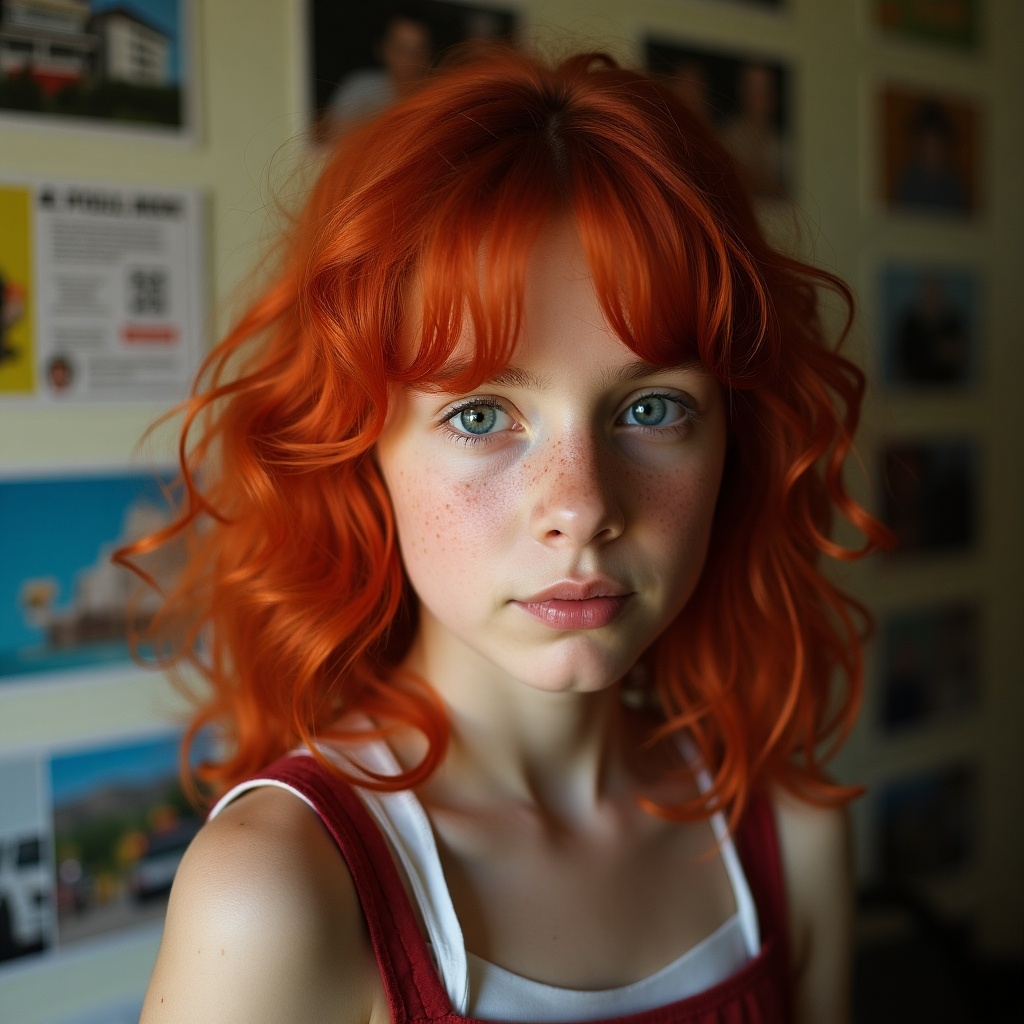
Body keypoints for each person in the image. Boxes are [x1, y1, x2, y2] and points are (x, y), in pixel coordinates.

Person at [130, 49, 890, 1024]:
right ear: (362, 455)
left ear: (731, 448)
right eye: (482, 416)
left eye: (651, 407)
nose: (578, 506)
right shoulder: (281, 890)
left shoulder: (789, 831)